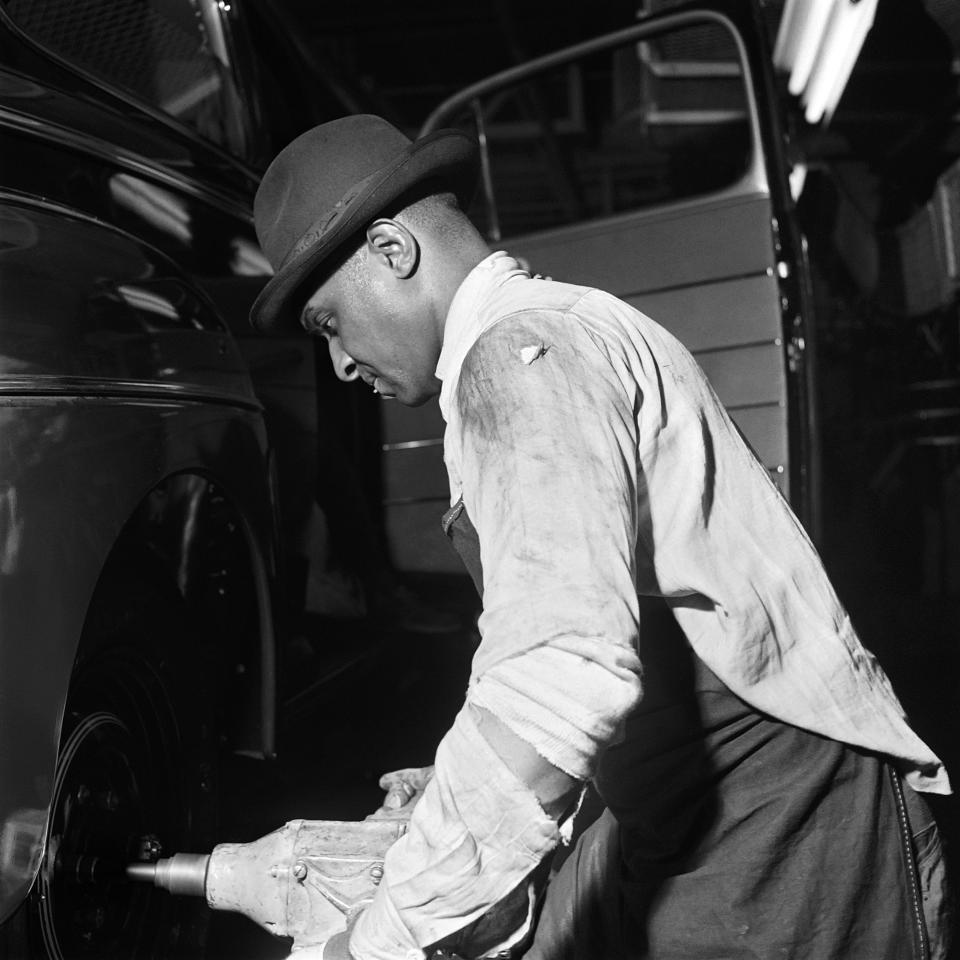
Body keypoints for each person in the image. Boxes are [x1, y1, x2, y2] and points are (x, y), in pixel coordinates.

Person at [250, 115, 952, 960]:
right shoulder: (548, 336)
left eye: (330, 324)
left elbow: (561, 668)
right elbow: (567, 646)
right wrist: (458, 788)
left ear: (393, 250)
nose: (340, 365)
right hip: (692, 801)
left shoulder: (521, 360)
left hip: (787, 831)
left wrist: (383, 939)